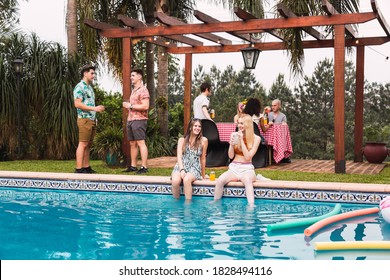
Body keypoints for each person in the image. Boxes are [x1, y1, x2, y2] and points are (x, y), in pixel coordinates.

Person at [213, 114, 261, 207]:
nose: (239, 125)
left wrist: (242, 141)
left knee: (247, 181)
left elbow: (248, 157)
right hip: (234, 168)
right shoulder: (234, 135)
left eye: (242, 123)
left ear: (248, 124)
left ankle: (251, 206)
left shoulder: (256, 138)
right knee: (220, 180)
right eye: (238, 123)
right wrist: (231, 144)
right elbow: (230, 156)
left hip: (247, 168)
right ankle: (216, 204)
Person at [73, 64, 105, 173]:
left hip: (91, 119)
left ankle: (86, 167)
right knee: (82, 143)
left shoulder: (90, 88)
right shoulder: (79, 87)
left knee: (88, 145)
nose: (93, 75)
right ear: (85, 73)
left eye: (94, 73)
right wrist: (94, 108)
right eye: (91, 73)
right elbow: (77, 104)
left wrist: (96, 111)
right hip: (84, 119)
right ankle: (78, 169)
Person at [171, 119, 208, 201]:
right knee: (175, 181)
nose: (197, 128)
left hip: (194, 167)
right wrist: (182, 170)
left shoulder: (204, 140)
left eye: (199, 126)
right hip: (181, 166)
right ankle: (176, 205)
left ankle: (188, 207)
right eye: (195, 126)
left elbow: (203, 159)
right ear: (191, 127)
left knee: (187, 180)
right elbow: (179, 157)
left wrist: (203, 175)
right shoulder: (182, 140)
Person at [122, 68, 150, 174]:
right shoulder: (134, 90)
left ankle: (144, 167)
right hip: (131, 119)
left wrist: (131, 106)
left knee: (140, 143)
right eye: (131, 75)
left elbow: (145, 106)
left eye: (133, 75)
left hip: (139, 120)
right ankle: (133, 166)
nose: (131, 77)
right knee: (132, 143)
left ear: (139, 77)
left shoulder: (143, 90)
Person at [267, 99, 291, 163]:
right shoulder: (269, 114)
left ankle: (283, 156)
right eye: (272, 106)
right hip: (269, 135)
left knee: (282, 139)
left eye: (275, 105)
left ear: (279, 106)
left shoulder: (283, 116)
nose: (273, 107)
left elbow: (284, 126)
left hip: (279, 136)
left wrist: (277, 124)